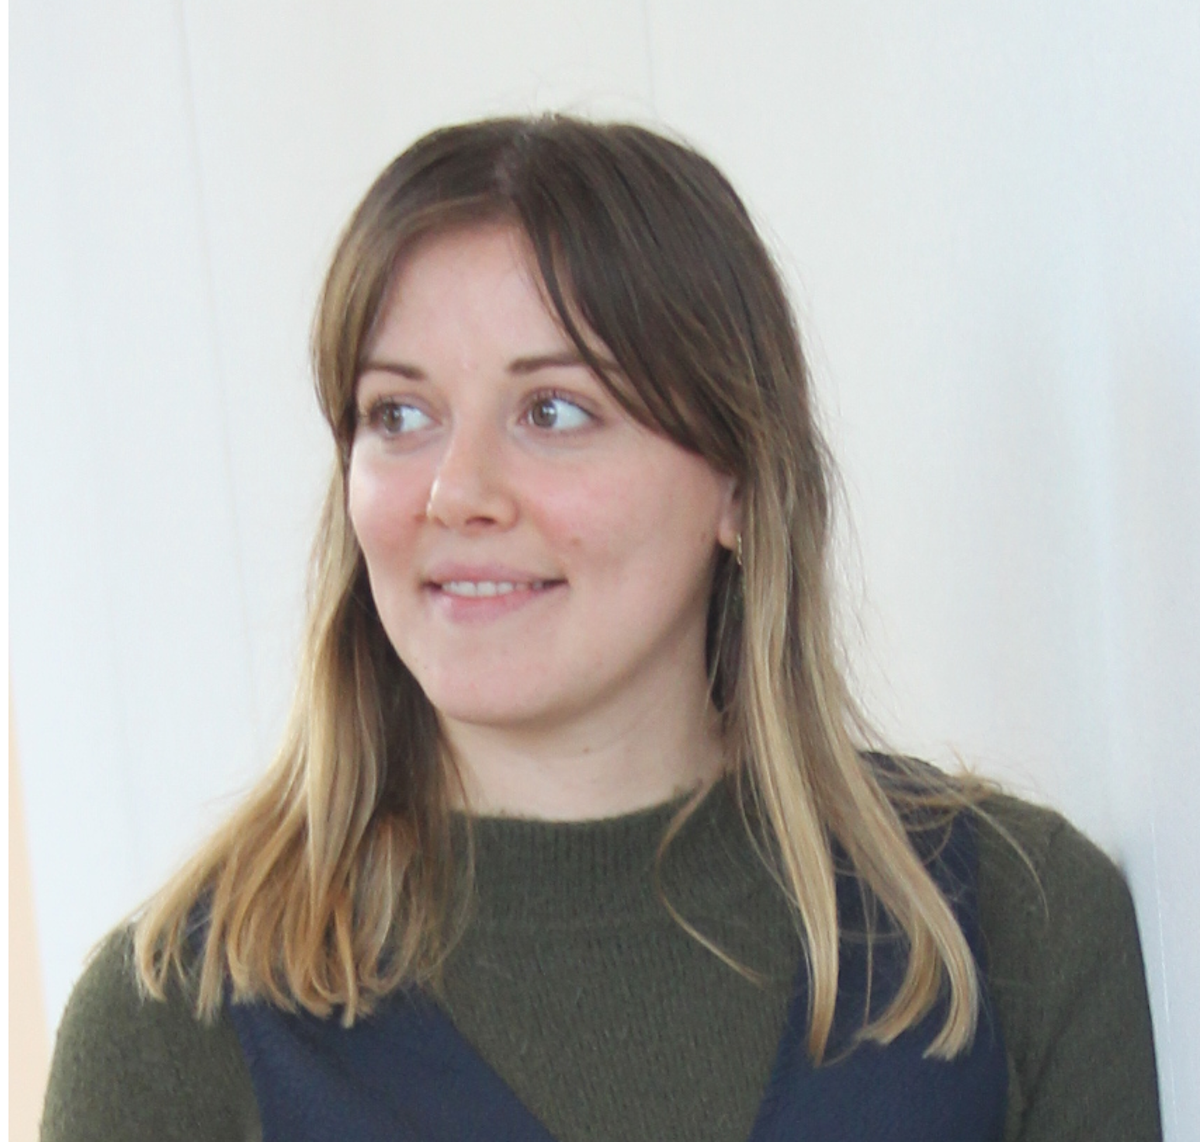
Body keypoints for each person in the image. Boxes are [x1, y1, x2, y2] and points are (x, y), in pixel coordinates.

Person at [41, 116, 1161, 1142]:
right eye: (400, 413)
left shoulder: (1018, 926)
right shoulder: (172, 1028)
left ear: (738, 481)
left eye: (554, 410)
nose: (455, 492)